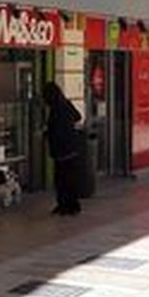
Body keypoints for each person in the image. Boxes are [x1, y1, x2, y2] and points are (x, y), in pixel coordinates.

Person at [42, 82, 86, 216]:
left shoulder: (55, 110)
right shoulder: (66, 104)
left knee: (61, 179)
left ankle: (64, 206)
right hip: (72, 147)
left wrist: (46, 134)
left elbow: (55, 131)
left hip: (61, 150)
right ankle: (72, 205)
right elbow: (78, 117)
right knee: (70, 178)